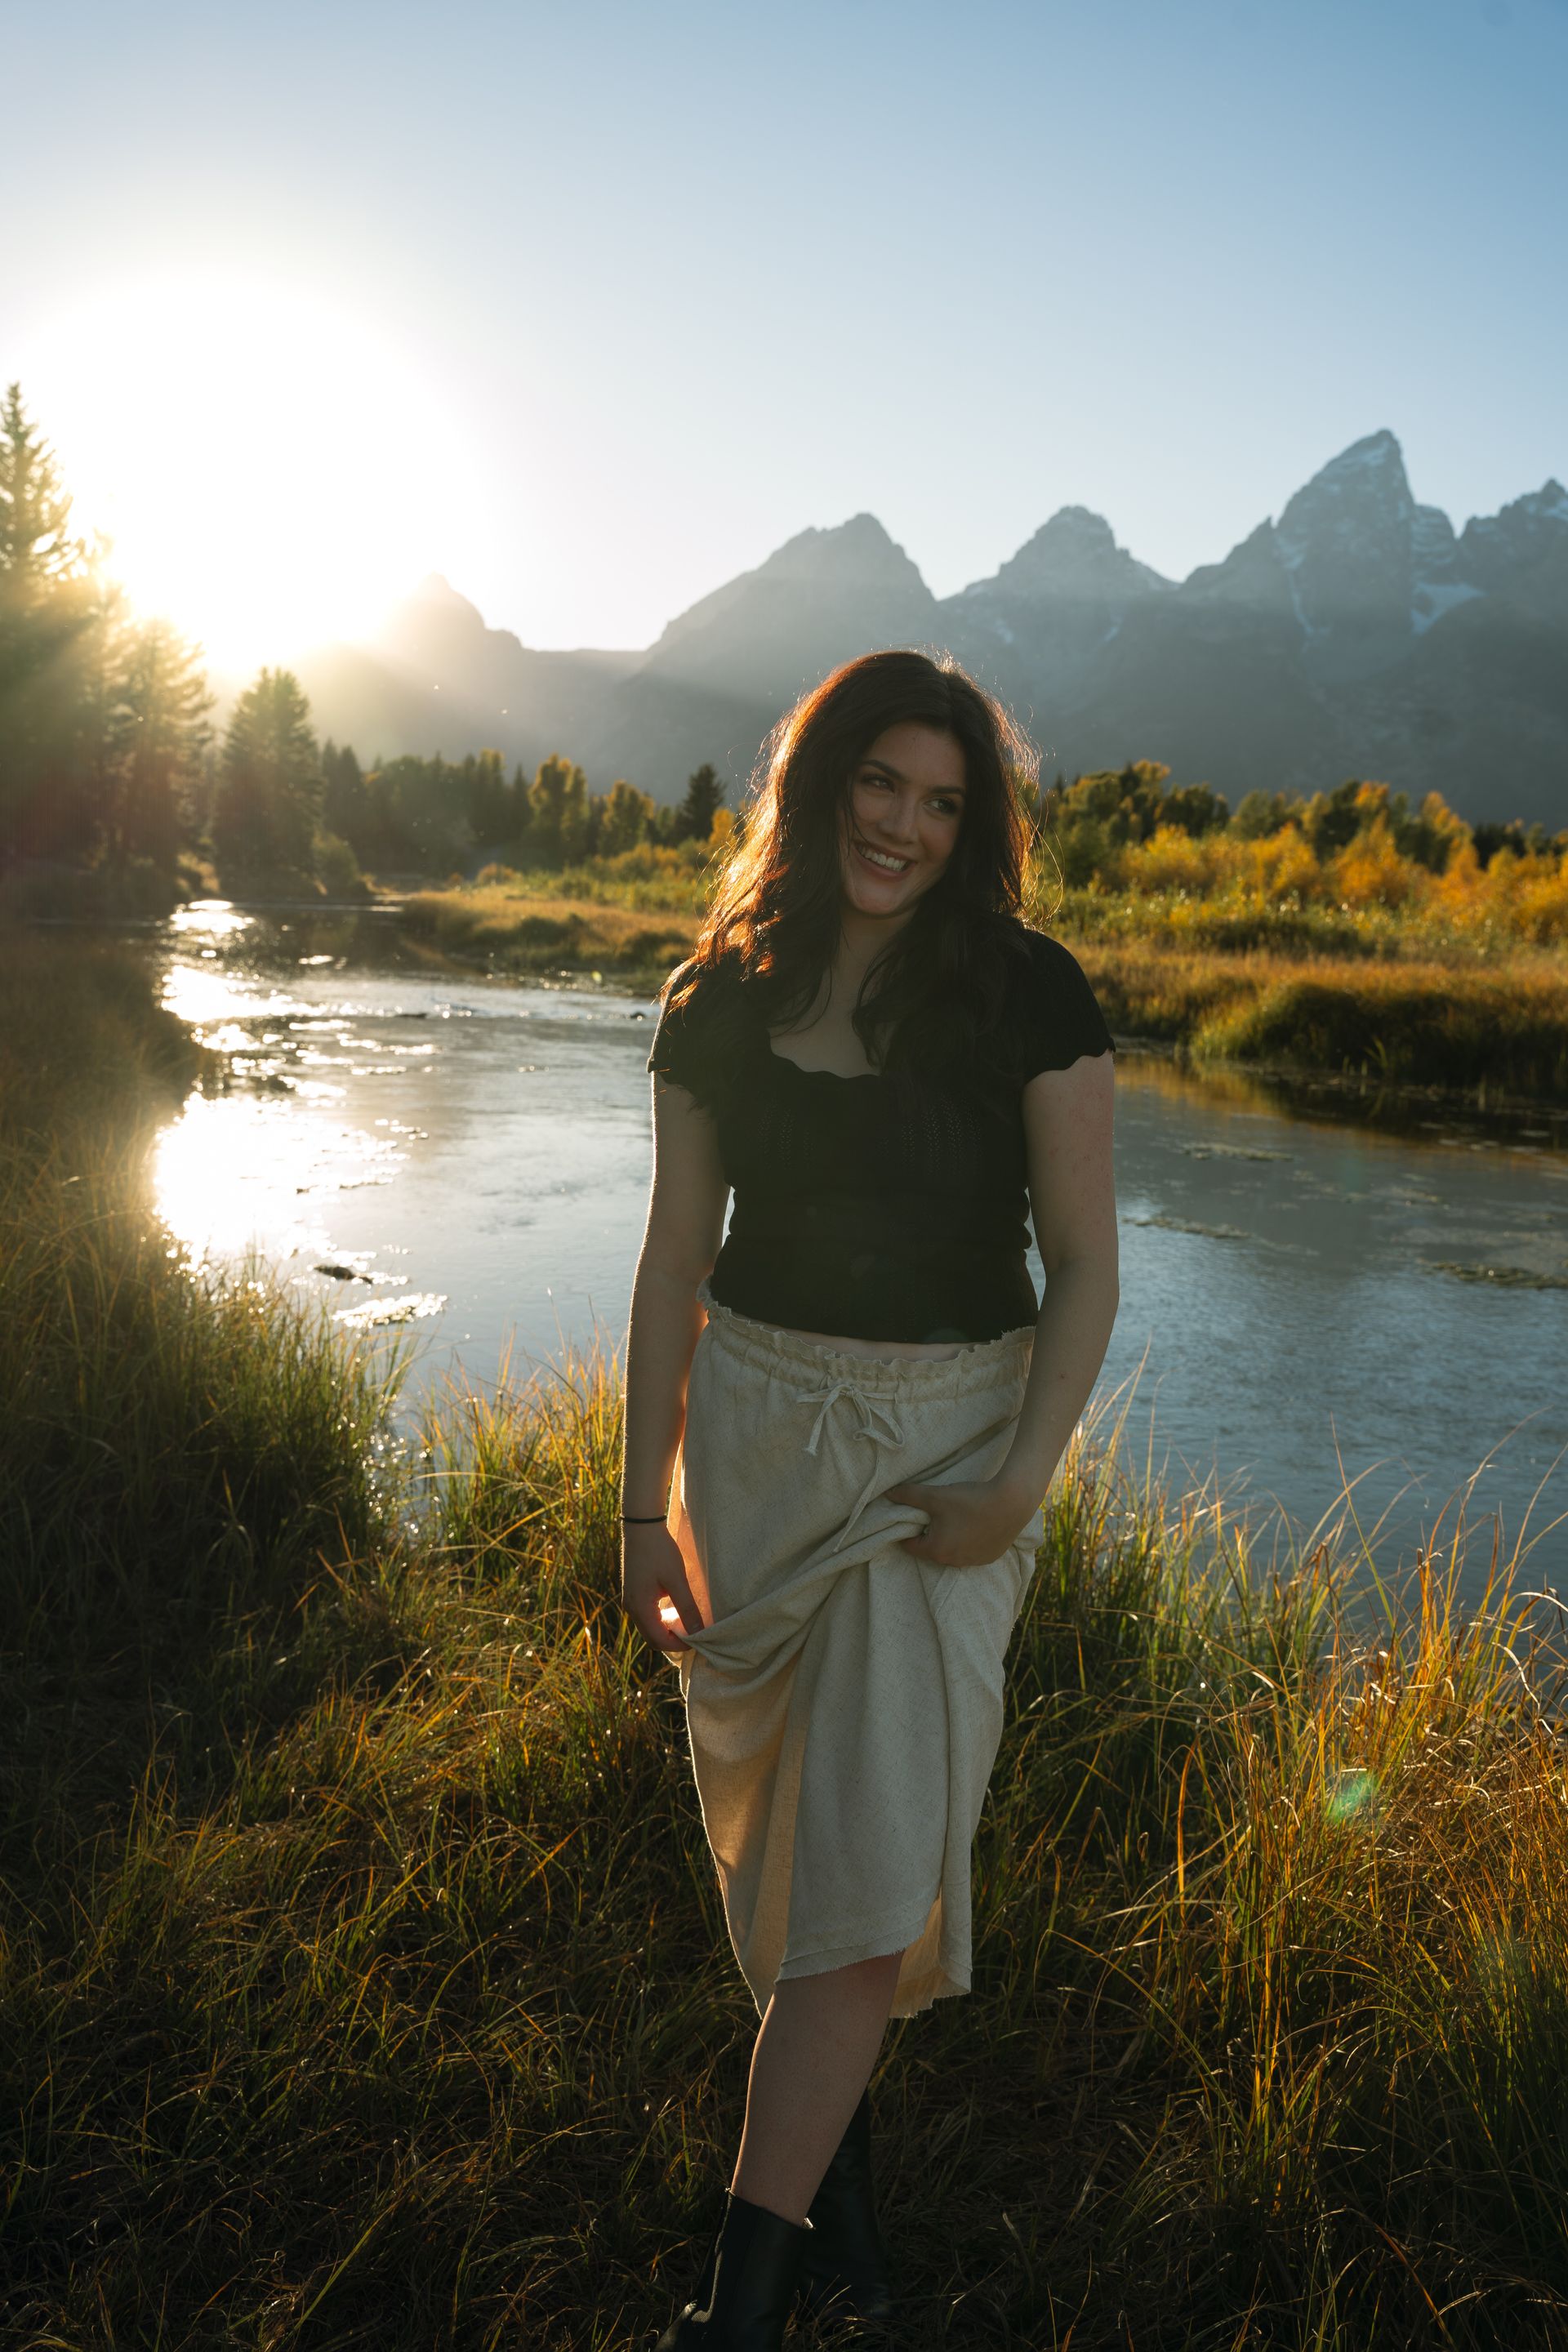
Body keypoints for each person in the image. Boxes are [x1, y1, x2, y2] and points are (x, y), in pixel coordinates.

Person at [621, 648, 1120, 2349]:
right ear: (822, 782)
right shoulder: (719, 1000)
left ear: (971, 828)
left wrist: (1015, 1485)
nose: (904, 826)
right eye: (880, 785)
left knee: (863, 1880)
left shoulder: (1028, 995)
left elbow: (1091, 1274)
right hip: (752, 1445)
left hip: (941, 1468)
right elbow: (675, 1264)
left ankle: (736, 2316)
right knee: (777, 1862)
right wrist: (638, 1509)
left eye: (943, 800)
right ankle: (828, 2196)